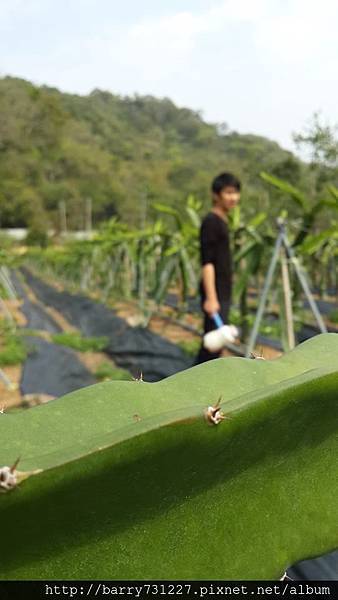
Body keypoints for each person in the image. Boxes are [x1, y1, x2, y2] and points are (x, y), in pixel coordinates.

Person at [195, 172, 241, 364]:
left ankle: (199, 387)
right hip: (216, 291)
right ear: (216, 195)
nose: (234, 197)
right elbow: (208, 262)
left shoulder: (221, 221)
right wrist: (211, 298)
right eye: (228, 192)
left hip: (222, 290)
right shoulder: (211, 222)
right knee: (212, 345)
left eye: (236, 193)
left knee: (215, 345)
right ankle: (194, 387)